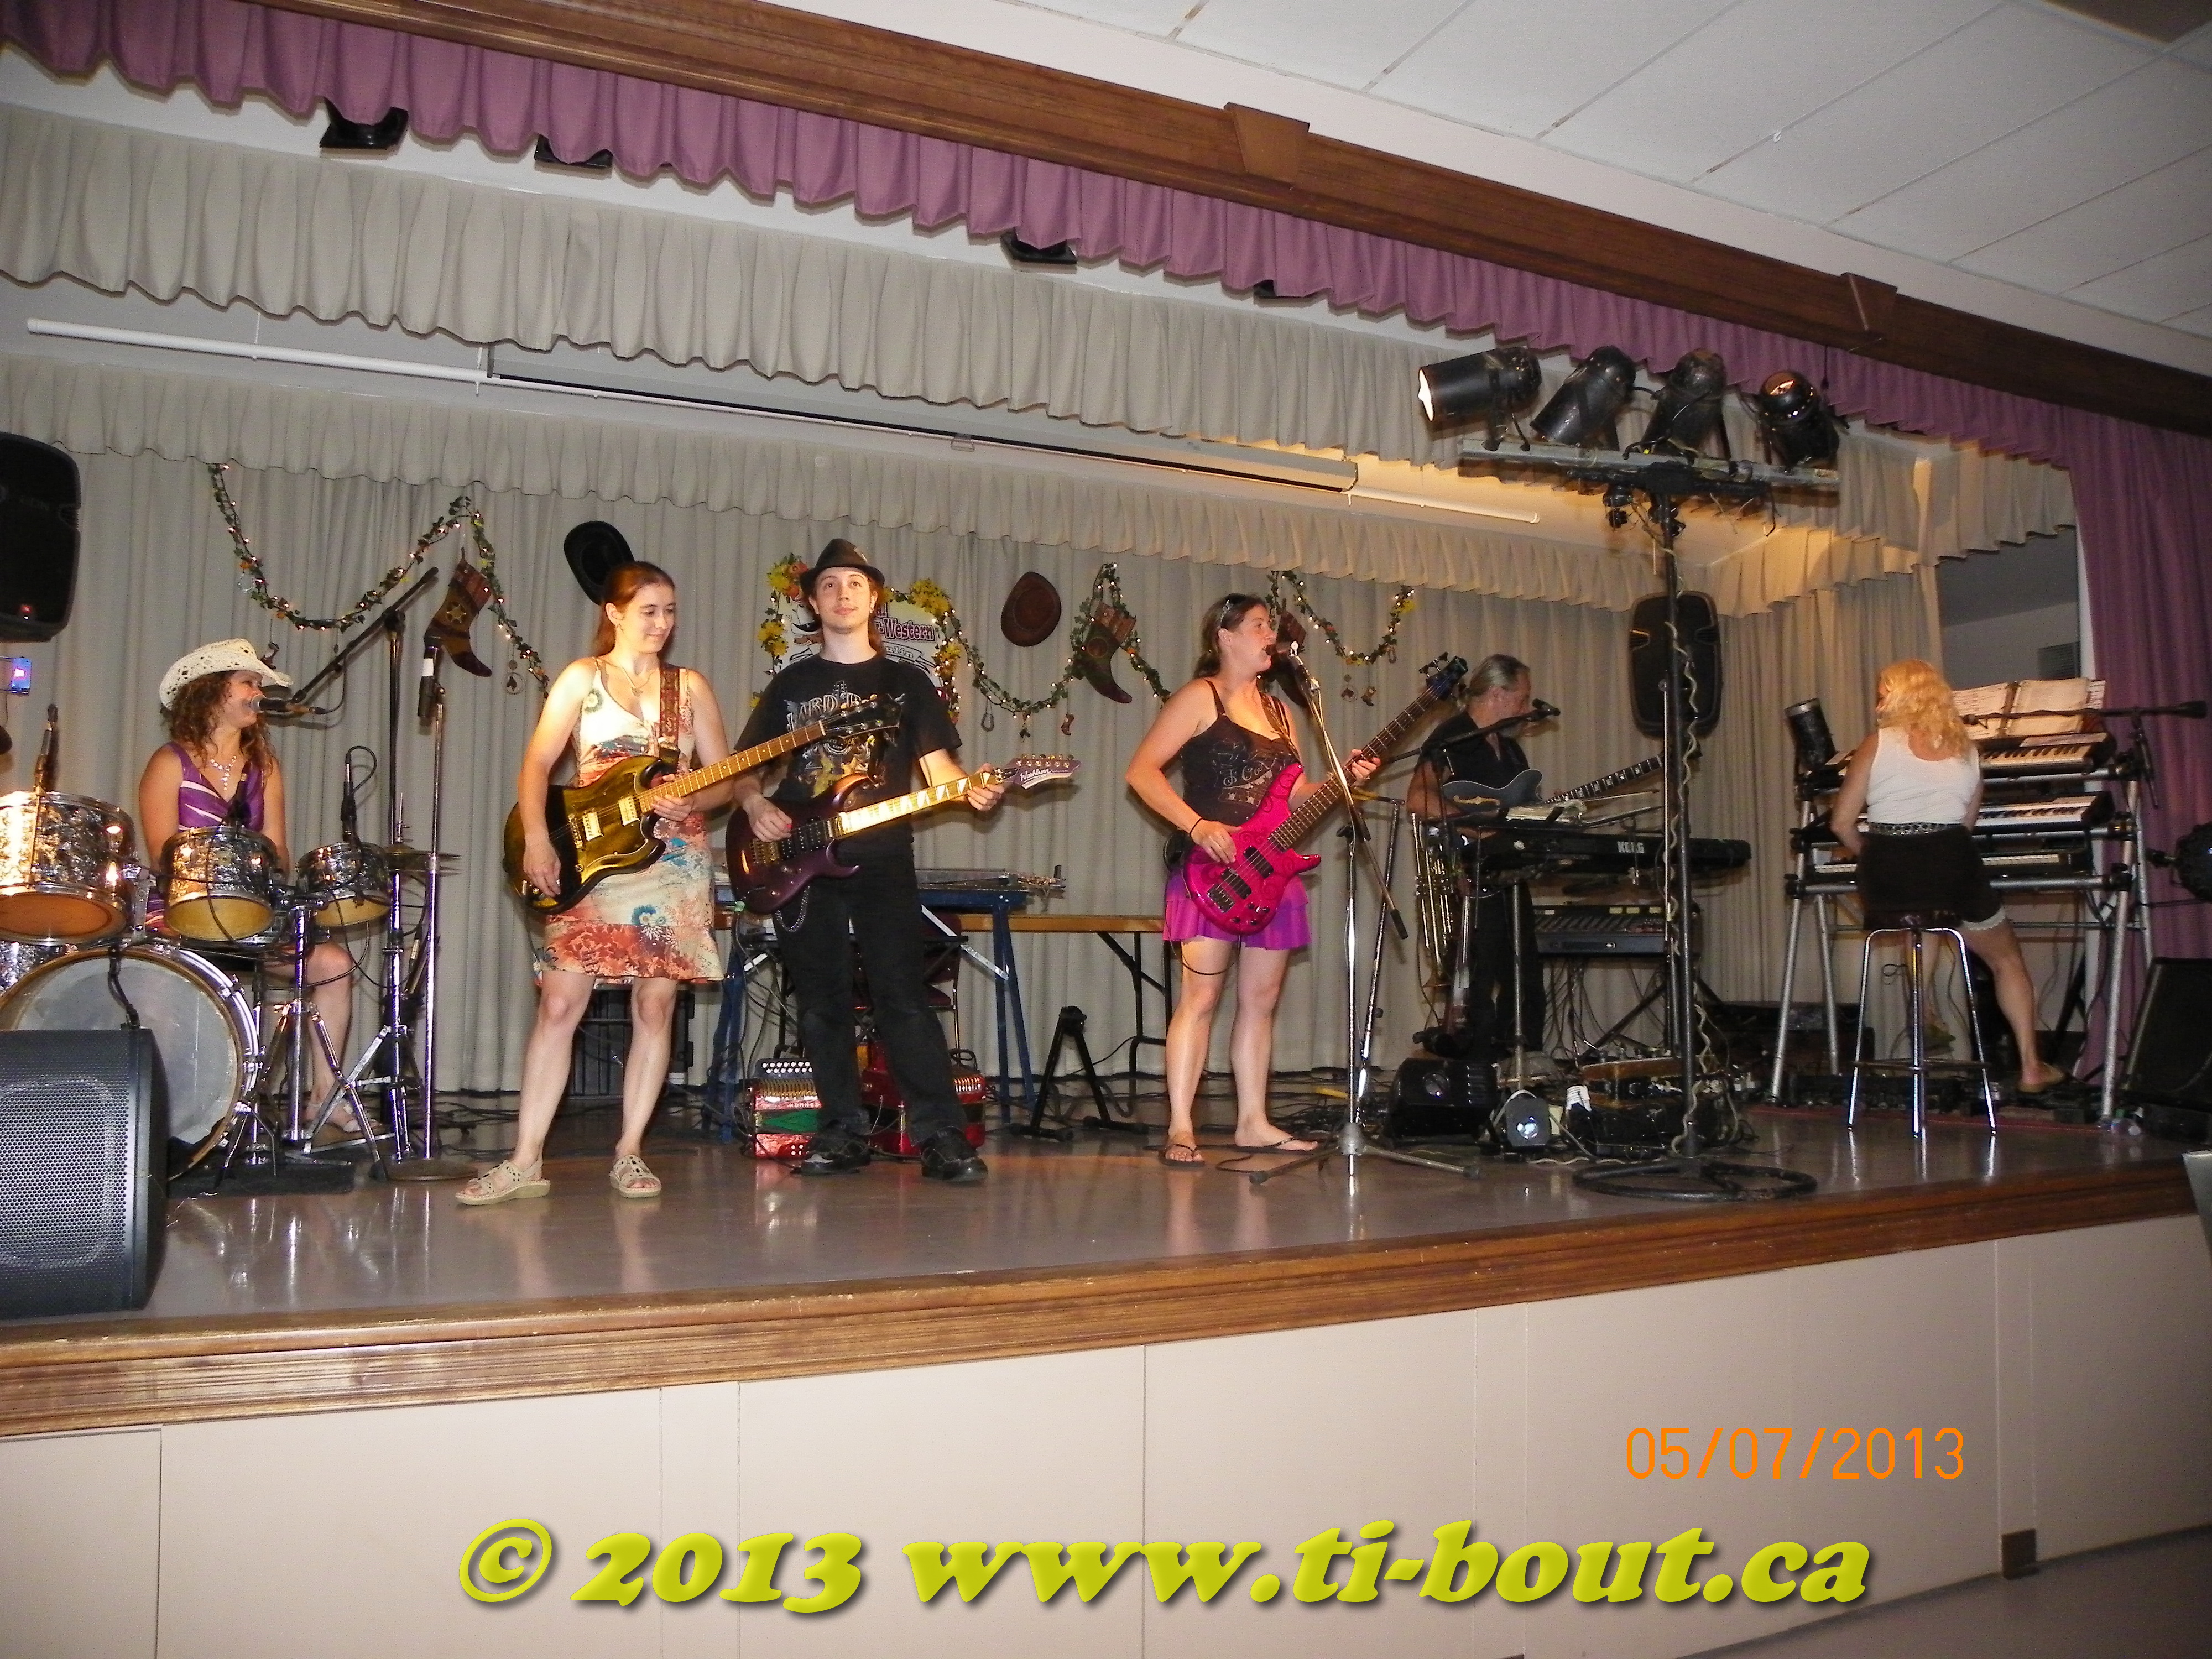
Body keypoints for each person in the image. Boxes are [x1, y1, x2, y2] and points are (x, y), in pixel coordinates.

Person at [729, 539, 1004, 1183]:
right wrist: (754, 803)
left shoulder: (907, 683)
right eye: (828, 585)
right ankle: (841, 1132)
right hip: (798, 861)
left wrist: (976, 790)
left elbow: (941, 772)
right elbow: (745, 771)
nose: (842, 594)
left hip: (882, 858)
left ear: (874, 598)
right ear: (812, 602)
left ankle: (940, 1135)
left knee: (903, 997)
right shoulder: (791, 684)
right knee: (819, 1003)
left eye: (854, 583)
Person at [462, 561, 734, 1204]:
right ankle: (525, 1160)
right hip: (591, 854)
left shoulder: (690, 687)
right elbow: (537, 764)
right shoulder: (581, 678)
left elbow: (723, 780)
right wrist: (536, 838)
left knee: (655, 1006)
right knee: (560, 1004)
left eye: (670, 611)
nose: (662, 623)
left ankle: (631, 1151)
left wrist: (692, 801)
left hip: (671, 860)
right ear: (614, 613)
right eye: (649, 611)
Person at [1125, 593, 1378, 1169]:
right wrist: (1196, 825)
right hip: (1210, 872)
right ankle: (1181, 1125)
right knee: (1201, 997)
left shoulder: (1281, 712)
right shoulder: (1200, 697)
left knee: (1260, 1002)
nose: (1271, 636)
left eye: (1271, 627)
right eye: (1260, 625)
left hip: (1272, 871)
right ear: (1225, 636)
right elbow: (1140, 772)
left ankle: (1253, 1123)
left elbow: (1293, 798)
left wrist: (1343, 780)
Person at [140, 640, 358, 1124]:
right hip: (181, 915)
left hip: (250, 916)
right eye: (248, 683)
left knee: (334, 964)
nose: (258, 693)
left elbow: (279, 849)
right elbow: (162, 855)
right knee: (158, 985)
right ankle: (174, 1111)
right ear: (212, 692)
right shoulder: (169, 763)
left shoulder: (265, 768)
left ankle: (324, 1098)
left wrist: (261, 869)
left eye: (259, 684)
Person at [1829, 658, 2064, 1096]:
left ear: (1900, 697)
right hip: (1949, 865)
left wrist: (1879, 856)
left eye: (1883, 694)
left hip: (1888, 878)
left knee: (1922, 916)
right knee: (2006, 960)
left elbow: (1842, 824)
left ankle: (1927, 1012)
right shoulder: (1967, 750)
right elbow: (1965, 828)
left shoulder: (1876, 744)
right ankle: (2032, 1065)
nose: (1878, 704)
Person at [1406, 654, 1547, 1065]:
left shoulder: (1511, 750)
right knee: (1476, 978)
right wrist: (1473, 826)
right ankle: (1475, 1071)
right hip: (1468, 872)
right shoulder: (1453, 737)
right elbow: (1418, 798)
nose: (1525, 708)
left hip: (1509, 872)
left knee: (1524, 975)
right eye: (1521, 699)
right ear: (1498, 694)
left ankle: (1520, 1064)